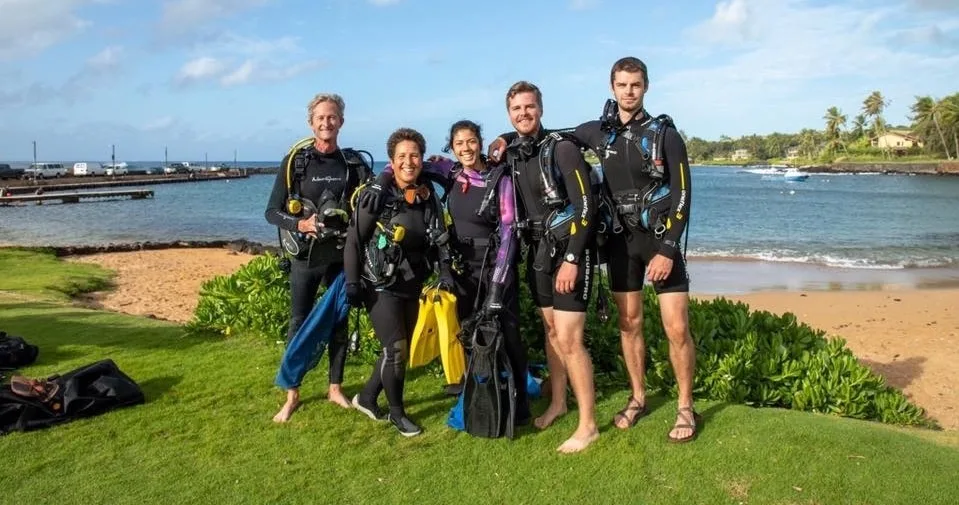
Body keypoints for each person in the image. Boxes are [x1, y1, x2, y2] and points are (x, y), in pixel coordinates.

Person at [375, 120, 531, 424]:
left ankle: (521, 402)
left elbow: (510, 230)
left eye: (471, 141)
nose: (466, 148)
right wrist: (381, 182)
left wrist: (498, 284)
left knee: (510, 335)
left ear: (480, 142)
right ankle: (478, 398)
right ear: (452, 146)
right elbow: (403, 164)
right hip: (463, 269)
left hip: (496, 267)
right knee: (468, 334)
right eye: (459, 143)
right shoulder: (450, 171)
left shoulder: (499, 178)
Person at [574, 57, 697, 442]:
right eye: (622, 85)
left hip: (660, 241)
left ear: (646, 87)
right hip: (620, 243)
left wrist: (667, 249)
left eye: (636, 85)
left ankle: (685, 406)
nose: (629, 91)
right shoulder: (599, 133)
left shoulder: (665, 135)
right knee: (629, 324)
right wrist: (506, 141)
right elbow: (555, 136)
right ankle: (638, 397)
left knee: (676, 328)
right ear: (612, 87)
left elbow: (683, 195)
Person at [500, 81, 599, 453]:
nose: (524, 114)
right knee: (552, 333)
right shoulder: (513, 152)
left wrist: (573, 259)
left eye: (529, 107)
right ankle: (559, 403)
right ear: (510, 115)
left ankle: (588, 424)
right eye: (516, 110)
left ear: (540, 108)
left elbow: (585, 209)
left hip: (569, 252)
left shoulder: (563, 149)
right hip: (538, 254)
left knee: (571, 339)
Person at [264, 93, 374, 423]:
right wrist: (301, 223)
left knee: (338, 322)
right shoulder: (296, 163)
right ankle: (292, 394)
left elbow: (370, 204)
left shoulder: (352, 164)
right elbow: (271, 212)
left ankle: (335, 387)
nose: (326, 123)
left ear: (341, 120)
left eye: (333, 117)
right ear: (311, 122)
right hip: (304, 257)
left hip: (340, 256)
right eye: (320, 118)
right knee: (298, 323)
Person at [344, 127, 456, 437]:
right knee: (396, 349)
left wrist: (445, 270)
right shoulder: (375, 196)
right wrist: (352, 283)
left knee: (395, 349)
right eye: (402, 156)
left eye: (415, 155)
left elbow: (439, 238)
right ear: (391, 161)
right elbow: (354, 241)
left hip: (412, 283)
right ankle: (397, 413)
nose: (409, 161)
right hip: (378, 284)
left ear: (422, 159)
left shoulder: (426, 194)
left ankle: (366, 398)